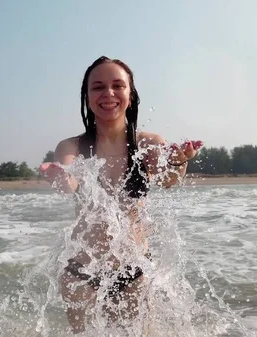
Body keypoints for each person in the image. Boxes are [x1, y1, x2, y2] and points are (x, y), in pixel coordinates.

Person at [39, 56, 202, 333]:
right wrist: (62, 177)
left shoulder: (148, 143)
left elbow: (169, 180)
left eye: (118, 85)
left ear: (130, 93)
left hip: (133, 271)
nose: (108, 94)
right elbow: (70, 180)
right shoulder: (72, 146)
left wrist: (177, 160)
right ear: (87, 96)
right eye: (98, 87)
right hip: (82, 272)